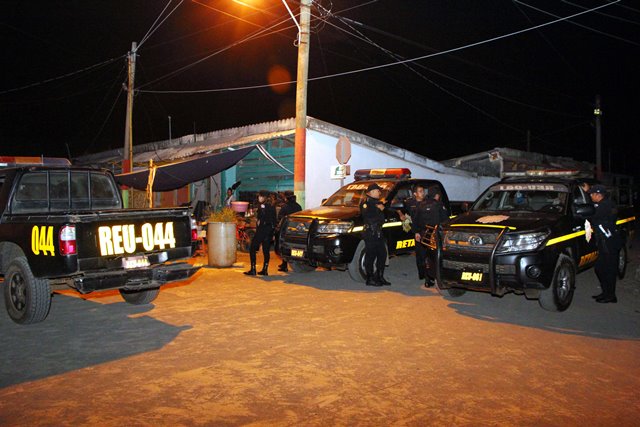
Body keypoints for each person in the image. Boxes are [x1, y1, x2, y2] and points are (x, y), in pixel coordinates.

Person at [587, 184, 622, 303]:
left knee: (608, 269)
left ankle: (610, 296)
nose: (590, 196)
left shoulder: (605, 206)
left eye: (592, 194)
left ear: (598, 195)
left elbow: (591, 215)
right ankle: (606, 293)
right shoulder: (605, 204)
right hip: (605, 242)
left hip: (609, 242)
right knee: (601, 269)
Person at [415, 185, 449, 287]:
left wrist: (417, 232)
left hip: (423, 234)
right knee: (435, 257)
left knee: (425, 256)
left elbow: (416, 220)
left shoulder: (421, 205)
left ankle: (427, 279)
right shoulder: (439, 205)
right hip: (435, 235)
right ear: (437, 195)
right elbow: (445, 221)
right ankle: (438, 277)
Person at [360, 183, 390, 286]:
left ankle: (379, 277)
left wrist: (381, 206)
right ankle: (370, 279)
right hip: (370, 232)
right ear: (371, 192)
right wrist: (379, 207)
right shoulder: (366, 203)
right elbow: (368, 215)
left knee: (382, 254)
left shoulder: (377, 203)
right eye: (378, 191)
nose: (379, 192)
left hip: (378, 232)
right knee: (370, 256)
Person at [244, 190, 277, 276]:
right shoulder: (272, 205)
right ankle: (265, 270)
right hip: (269, 230)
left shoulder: (263, 206)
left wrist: (259, 221)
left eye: (259, 196)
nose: (258, 197)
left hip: (262, 229)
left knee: (252, 248)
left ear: (263, 197)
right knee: (266, 250)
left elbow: (261, 218)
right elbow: (274, 220)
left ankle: (253, 269)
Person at [402, 184, 427, 281]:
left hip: (426, 231)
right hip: (417, 231)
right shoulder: (410, 203)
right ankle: (422, 274)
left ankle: (428, 275)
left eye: (423, 191)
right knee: (420, 254)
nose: (423, 193)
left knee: (427, 254)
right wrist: (401, 214)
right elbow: (402, 211)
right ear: (415, 194)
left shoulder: (427, 202)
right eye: (420, 191)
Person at [277, 191, 302, 272]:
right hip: (297, 230)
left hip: (287, 229)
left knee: (285, 246)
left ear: (286, 197)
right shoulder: (298, 206)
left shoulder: (285, 207)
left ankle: (284, 265)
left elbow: (280, 217)